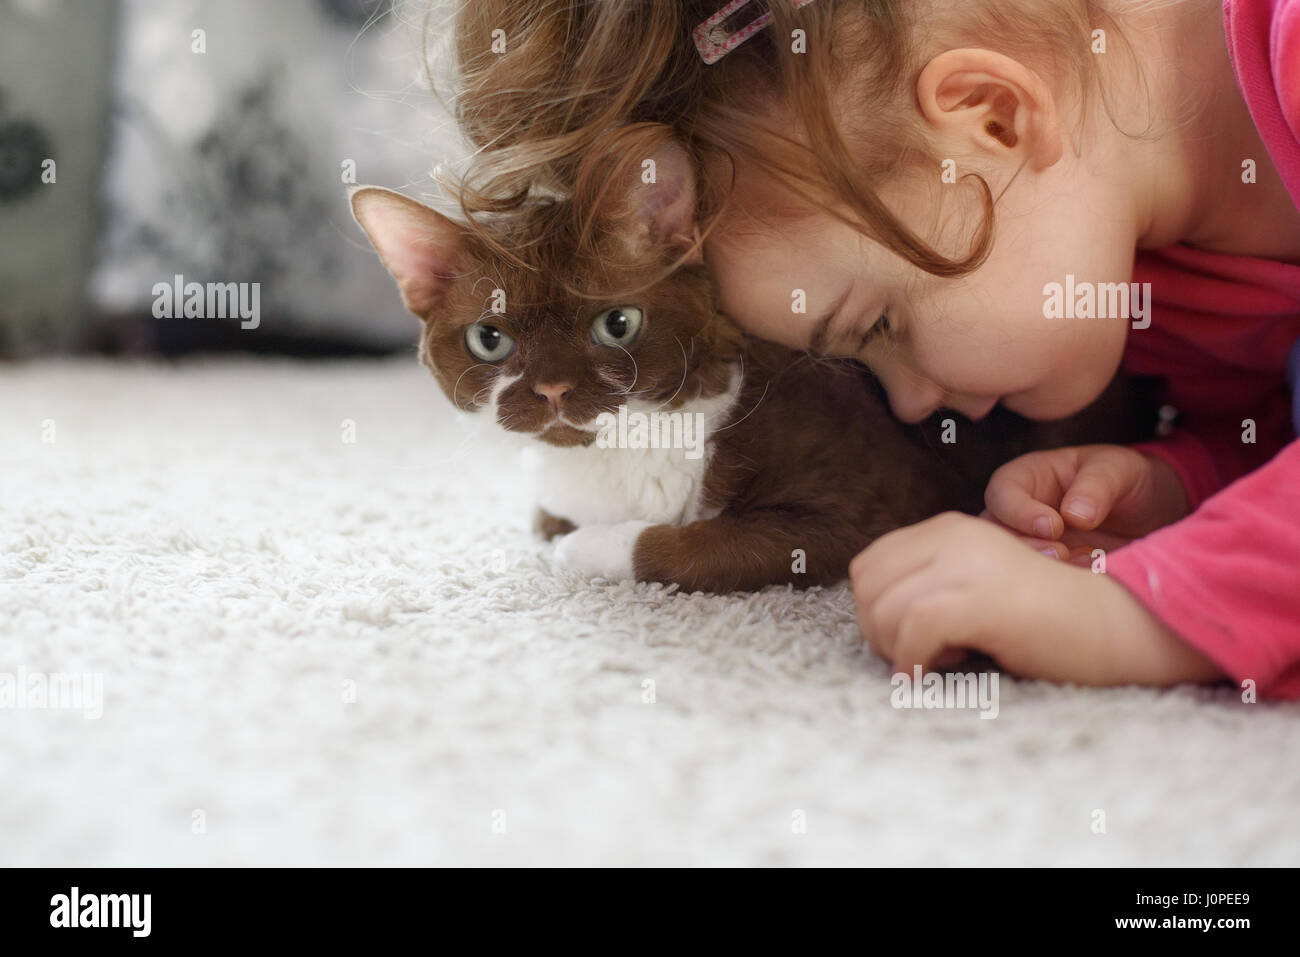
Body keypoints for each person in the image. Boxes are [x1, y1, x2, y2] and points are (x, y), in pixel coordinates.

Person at [447, 0, 1300, 697]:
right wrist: (1187, 483)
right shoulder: (1134, 273)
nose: (908, 404)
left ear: (993, 119)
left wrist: (1138, 611)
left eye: (880, 325)